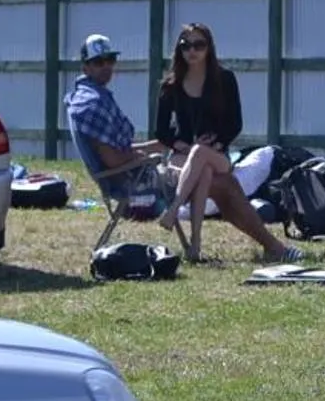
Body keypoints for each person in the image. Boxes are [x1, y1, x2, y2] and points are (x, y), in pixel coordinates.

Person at [65, 32, 295, 264]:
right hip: (133, 184)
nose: (106, 67)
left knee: (211, 174)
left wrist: (150, 150)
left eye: (110, 60)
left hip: (137, 173)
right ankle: (272, 247)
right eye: (98, 62)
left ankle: (201, 244)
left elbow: (232, 124)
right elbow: (114, 160)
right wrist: (147, 156)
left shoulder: (89, 97)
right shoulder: (92, 104)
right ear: (85, 67)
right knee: (224, 184)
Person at [152, 22, 250, 250]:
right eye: (186, 46)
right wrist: (185, 147)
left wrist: (216, 143)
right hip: (182, 154)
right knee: (202, 169)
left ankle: (174, 208)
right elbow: (161, 131)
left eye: (199, 45)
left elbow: (236, 123)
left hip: (217, 154)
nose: (192, 51)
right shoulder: (171, 85)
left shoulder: (225, 79)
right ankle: (195, 243)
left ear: (209, 48)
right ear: (179, 50)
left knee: (202, 156)